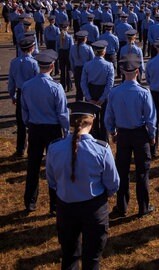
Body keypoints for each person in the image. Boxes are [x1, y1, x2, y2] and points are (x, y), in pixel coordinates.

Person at [46, 101, 119, 270]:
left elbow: (51, 180)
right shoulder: (102, 149)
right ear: (91, 122)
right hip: (94, 208)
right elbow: (113, 183)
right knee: (92, 259)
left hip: (66, 207)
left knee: (69, 256)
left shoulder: (54, 148)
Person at [105, 54, 156, 218]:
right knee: (142, 172)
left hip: (123, 135)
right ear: (137, 71)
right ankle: (143, 206)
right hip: (140, 134)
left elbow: (109, 116)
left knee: (122, 171)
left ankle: (122, 206)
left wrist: (112, 132)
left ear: (121, 71)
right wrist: (152, 135)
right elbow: (150, 117)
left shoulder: (114, 92)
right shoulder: (143, 92)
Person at [21, 49, 70, 214]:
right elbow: (62, 112)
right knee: (54, 167)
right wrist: (66, 131)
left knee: (33, 166)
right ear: (52, 65)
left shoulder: (27, 86)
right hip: (52, 129)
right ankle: (54, 204)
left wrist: (29, 124)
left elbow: (24, 111)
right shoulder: (56, 87)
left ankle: (30, 202)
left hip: (35, 128)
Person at [8, 37, 40, 158]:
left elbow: (11, 82)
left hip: (20, 92)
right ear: (32, 48)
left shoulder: (14, 62)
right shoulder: (34, 63)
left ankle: (20, 149)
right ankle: (33, 149)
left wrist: (13, 95)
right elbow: (37, 80)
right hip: (32, 93)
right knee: (33, 122)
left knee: (21, 123)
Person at [81, 40, 114, 142]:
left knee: (91, 118)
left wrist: (88, 97)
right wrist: (103, 97)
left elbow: (83, 82)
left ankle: (92, 138)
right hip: (103, 91)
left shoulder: (87, 65)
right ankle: (104, 139)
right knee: (104, 117)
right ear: (104, 51)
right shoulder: (109, 65)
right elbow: (110, 84)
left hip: (91, 91)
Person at [70, 30, 94, 101]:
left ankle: (78, 106)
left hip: (77, 69)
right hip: (86, 70)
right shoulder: (88, 48)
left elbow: (71, 60)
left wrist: (73, 70)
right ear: (85, 38)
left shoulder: (72, 47)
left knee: (78, 89)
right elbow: (92, 60)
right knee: (87, 89)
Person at [56, 22, 74, 92]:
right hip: (67, 53)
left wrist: (57, 55)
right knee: (68, 70)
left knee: (62, 71)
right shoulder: (69, 37)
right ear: (67, 28)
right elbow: (71, 47)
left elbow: (56, 47)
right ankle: (69, 86)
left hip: (61, 53)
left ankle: (62, 86)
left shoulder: (58, 36)